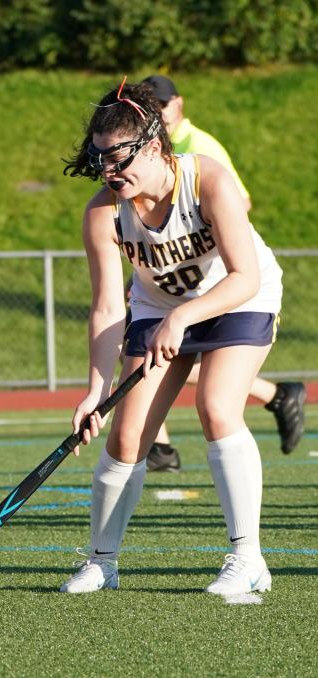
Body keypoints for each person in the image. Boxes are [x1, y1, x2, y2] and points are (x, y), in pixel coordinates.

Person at [60, 79, 282, 596]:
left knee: (217, 406)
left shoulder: (208, 180)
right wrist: (96, 390)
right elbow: (108, 306)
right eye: (100, 161)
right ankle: (102, 562)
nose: (109, 173)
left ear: (156, 147)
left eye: (118, 160)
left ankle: (247, 557)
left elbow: (244, 276)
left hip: (238, 297)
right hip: (158, 306)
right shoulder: (103, 212)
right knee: (126, 436)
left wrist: (182, 320)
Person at [140, 75, 306, 471]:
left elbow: (238, 200)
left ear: (178, 104)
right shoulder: (149, 152)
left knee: (215, 398)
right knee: (150, 351)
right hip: (176, 281)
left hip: (217, 278)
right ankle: (158, 443)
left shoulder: (199, 146)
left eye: (164, 104)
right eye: (152, 106)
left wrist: (200, 240)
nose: (160, 112)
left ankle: (275, 396)